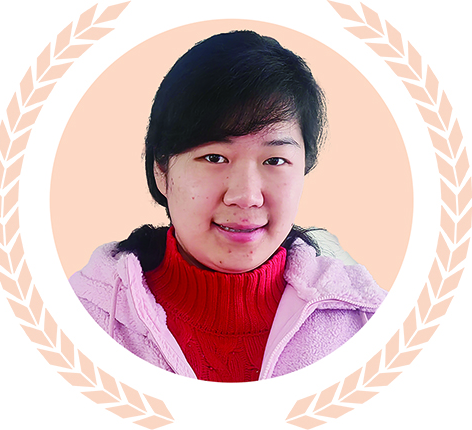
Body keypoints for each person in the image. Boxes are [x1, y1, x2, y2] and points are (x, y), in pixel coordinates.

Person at [70, 30, 387, 382]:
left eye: (275, 160)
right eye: (214, 157)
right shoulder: (75, 320)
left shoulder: (373, 326)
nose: (246, 196)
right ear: (161, 169)